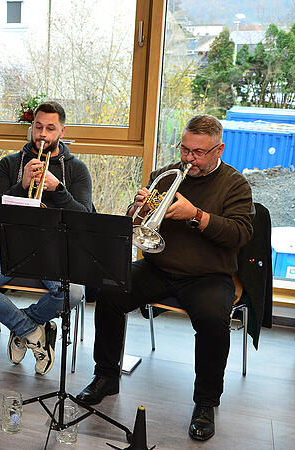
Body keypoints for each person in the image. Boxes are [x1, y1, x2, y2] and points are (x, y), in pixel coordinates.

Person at [75, 115, 254, 442]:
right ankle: (106, 376)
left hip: (208, 275)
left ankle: (205, 402)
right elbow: (137, 223)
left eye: (198, 152)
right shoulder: (167, 174)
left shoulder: (235, 184)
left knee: (214, 320)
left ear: (219, 150)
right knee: (110, 291)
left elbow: (240, 234)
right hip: (159, 268)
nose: (188, 159)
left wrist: (196, 215)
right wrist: (137, 210)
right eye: (184, 149)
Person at [0, 102, 92, 375]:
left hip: (55, 249)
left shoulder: (77, 170)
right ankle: (30, 330)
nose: (43, 134)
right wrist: (21, 186)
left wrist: (58, 189)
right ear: (31, 127)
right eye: (38, 127)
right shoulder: (10, 164)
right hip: (12, 244)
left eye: (50, 129)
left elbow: (85, 218)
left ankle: (24, 324)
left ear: (62, 131)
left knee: (74, 293)